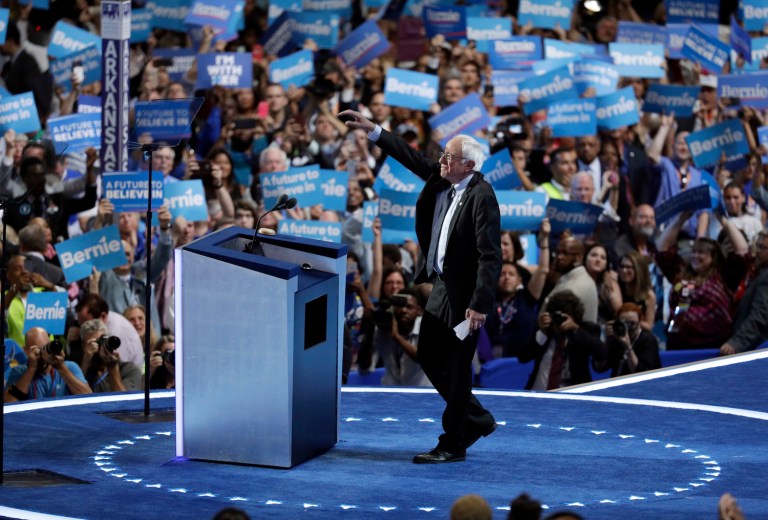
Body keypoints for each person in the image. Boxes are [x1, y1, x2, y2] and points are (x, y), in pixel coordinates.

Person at [340, 109, 502, 464]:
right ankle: (476, 419)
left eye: (449, 157)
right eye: (443, 155)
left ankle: (453, 442)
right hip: (441, 288)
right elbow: (411, 157)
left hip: (465, 298)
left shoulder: (482, 196)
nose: (441, 160)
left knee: (458, 370)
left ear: (469, 167)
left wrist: (480, 304)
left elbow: (491, 256)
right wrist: (374, 131)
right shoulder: (445, 178)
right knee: (429, 355)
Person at [656, 211, 748, 350]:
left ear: (713, 256)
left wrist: (724, 221)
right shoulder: (680, 273)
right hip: (678, 344)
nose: (695, 256)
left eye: (702, 253)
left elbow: (742, 251)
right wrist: (680, 219)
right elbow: (662, 248)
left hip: (713, 345)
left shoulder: (723, 275)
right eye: (694, 251)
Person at [485, 219, 550, 358]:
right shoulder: (487, 288)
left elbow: (543, 270)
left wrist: (544, 238)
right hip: (490, 359)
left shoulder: (527, 293)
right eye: (502, 274)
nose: (507, 277)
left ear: (519, 279)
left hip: (521, 358)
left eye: (511, 274)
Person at [520, 290, 606, 390]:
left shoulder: (585, 330)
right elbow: (523, 357)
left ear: (573, 317)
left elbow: (601, 354)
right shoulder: (546, 331)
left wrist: (575, 329)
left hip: (572, 397)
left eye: (564, 317)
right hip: (539, 393)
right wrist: (542, 332)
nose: (560, 321)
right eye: (556, 317)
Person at [4, 327, 92, 402]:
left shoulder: (70, 367)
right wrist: (31, 368)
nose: (43, 354)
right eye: (38, 349)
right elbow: (9, 403)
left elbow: (88, 397)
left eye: (45, 347)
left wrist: (61, 368)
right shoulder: (19, 371)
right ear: (26, 350)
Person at [720, 231, 768, 355]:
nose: (756, 251)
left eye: (762, 247)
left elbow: (760, 316)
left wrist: (736, 342)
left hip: (756, 350)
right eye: (756, 246)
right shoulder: (757, 272)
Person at [369, 288, 430, 387]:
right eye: (399, 307)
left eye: (409, 307)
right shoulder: (383, 328)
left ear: (419, 311)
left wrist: (397, 337)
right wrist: (370, 328)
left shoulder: (427, 327)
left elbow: (424, 359)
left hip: (422, 393)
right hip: (390, 393)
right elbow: (364, 368)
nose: (403, 310)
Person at [542, 237, 599, 323]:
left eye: (565, 253)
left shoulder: (574, 286)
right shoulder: (577, 278)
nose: (559, 257)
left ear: (579, 257)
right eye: (557, 252)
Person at [598, 303, 661, 377]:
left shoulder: (648, 341)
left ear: (639, 322)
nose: (628, 327)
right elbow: (600, 367)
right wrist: (607, 341)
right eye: (624, 323)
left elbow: (642, 373)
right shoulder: (616, 340)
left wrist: (628, 346)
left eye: (632, 323)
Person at [79, 319, 142, 393]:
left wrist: (113, 367)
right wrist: (86, 361)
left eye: (101, 341)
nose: (100, 347)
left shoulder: (129, 370)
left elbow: (123, 400)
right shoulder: (78, 369)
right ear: (84, 346)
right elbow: (74, 392)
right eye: (95, 343)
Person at [617, 251, 657, 331]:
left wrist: (630, 320)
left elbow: (649, 326)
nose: (624, 270)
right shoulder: (617, 288)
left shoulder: (649, 296)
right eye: (622, 266)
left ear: (638, 269)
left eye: (628, 267)